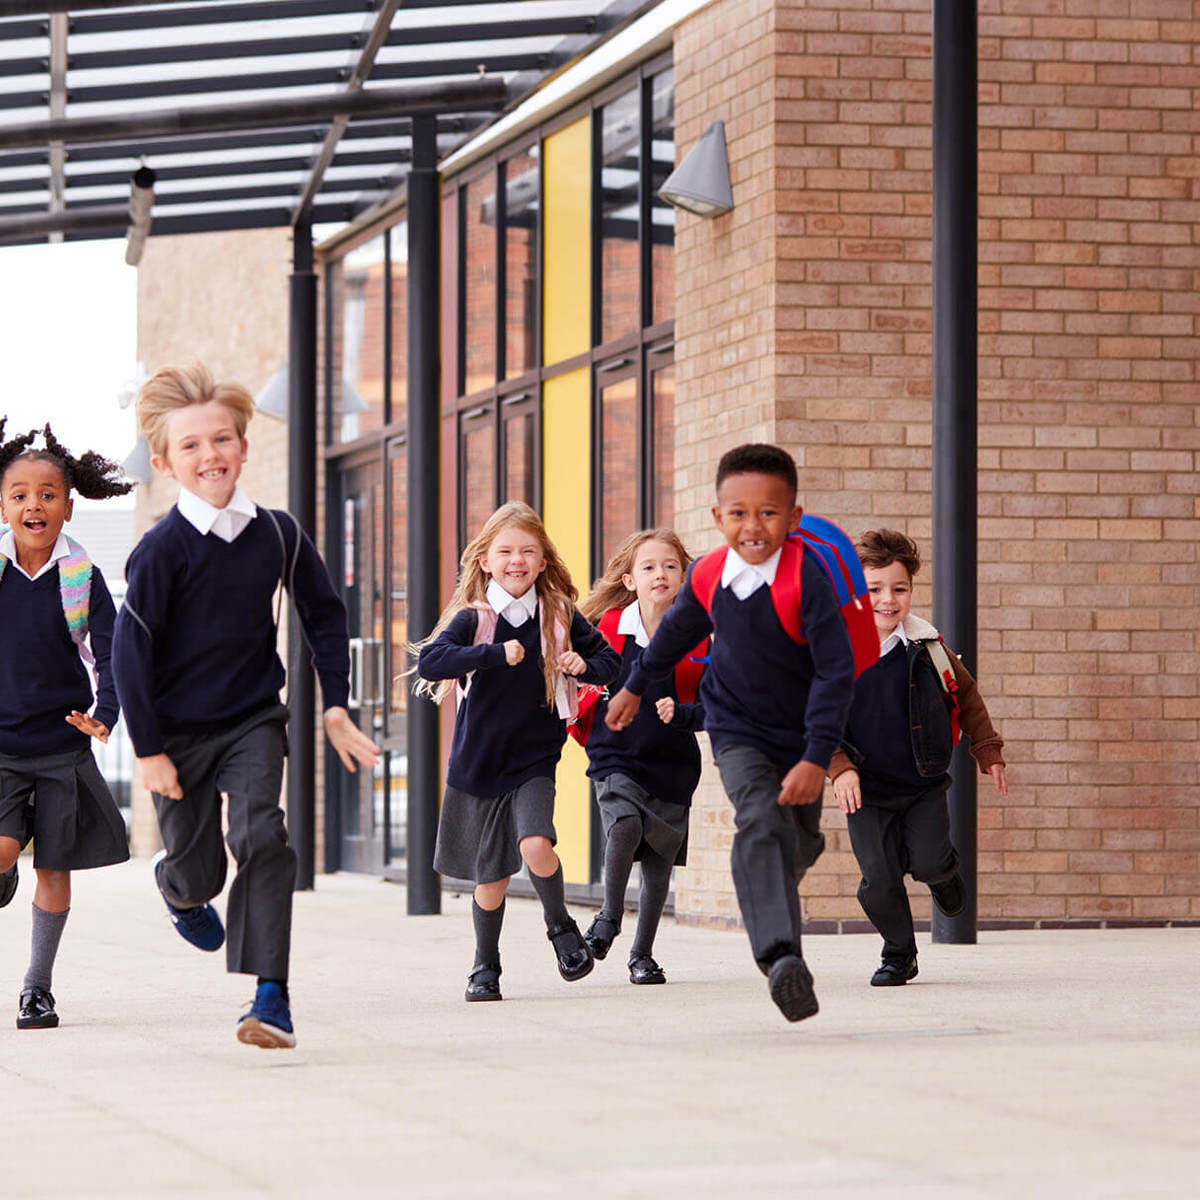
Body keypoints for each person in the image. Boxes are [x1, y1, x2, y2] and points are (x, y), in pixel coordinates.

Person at [112, 363, 378, 1049]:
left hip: (255, 720)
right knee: (200, 869)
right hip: (174, 734)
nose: (211, 455)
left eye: (222, 439)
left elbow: (322, 613)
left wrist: (335, 704)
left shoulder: (278, 534)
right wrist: (147, 752)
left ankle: (270, 997)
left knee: (264, 836)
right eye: (193, 446)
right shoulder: (158, 552)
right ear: (167, 463)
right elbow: (130, 653)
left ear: (244, 447)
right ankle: (176, 885)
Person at [606, 444, 856, 1022]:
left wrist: (818, 757)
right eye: (737, 513)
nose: (753, 525)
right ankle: (781, 958)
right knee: (760, 821)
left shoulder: (808, 580)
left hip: (801, 734)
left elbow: (836, 674)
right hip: (735, 728)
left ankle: (782, 882)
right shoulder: (711, 574)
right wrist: (635, 685)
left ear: (793, 518)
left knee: (797, 842)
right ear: (717, 517)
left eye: (768, 513)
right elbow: (672, 637)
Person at [415, 501, 621, 1003]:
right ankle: (485, 966)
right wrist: (491, 655)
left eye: (528, 551)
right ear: (485, 559)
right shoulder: (475, 618)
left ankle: (561, 929)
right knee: (494, 879)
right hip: (479, 764)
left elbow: (611, 662)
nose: (517, 560)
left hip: (534, 760)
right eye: (505, 551)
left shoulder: (559, 614)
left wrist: (581, 665)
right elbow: (432, 662)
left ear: (544, 561)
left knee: (535, 844)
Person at [828, 529, 1007, 986]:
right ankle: (898, 954)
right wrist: (840, 768)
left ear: (911, 590)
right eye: (874, 590)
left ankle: (943, 874)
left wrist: (987, 749)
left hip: (922, 782)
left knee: (927, 860)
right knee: (880, 879)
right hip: (865, 789)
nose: (888, 600)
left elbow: (966, 695)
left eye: (899, 589)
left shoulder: (927, 648)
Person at [0, 421, 132, 1030]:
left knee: (53, 868)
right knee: (3, 852)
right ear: (3, 506)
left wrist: (104, 715)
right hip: (1, 745)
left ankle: (37, 988)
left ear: (69, 507)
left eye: (48, 494)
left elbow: (112, 653)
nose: (35, 504)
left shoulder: (81, 579)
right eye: (20, 494)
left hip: (59, 746)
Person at [576, 529, 707, 985]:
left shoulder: (700, 636)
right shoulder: (608, 628)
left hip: (673, 759)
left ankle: (642, 955)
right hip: (616, 753)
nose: (660, 574)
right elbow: (575, 675)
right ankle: (609, 917)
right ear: (630, 579)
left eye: (670, 566)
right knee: (626, 823)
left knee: (658, 862)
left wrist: (687, 715)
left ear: (684, 576)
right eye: (649, 567)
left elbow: (720, 703)